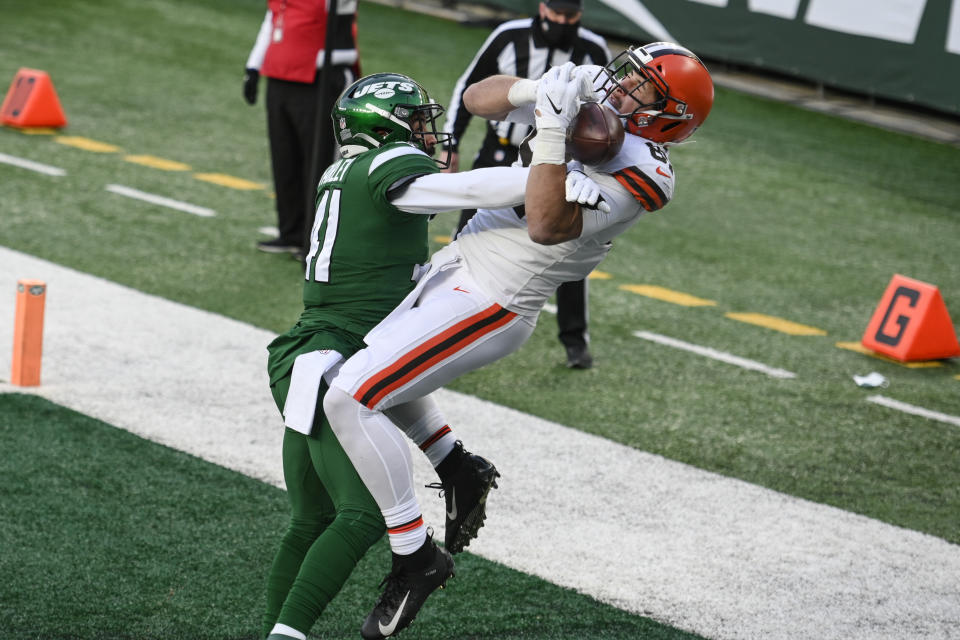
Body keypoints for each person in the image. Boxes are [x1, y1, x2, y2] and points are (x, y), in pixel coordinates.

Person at [323, 42, 715, 636]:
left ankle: (414, 555)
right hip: (459, 265)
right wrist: (539, 92)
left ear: (668, 115)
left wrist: (554, 140)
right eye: (626, 73)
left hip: (495, 296)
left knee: (347, 397)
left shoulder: (648, 171)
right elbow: (481, 99)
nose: (620, 84)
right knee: (374, 376)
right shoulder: (592, 104)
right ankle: (459, 469)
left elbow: (544, 222)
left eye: (641, 86)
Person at [259, 72, 608, 640]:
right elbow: (465, 192)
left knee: (309, 520)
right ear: (386, 130)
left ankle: (455, 467)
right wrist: (546, 178)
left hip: (319, 351)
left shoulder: (348, 170)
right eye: (417, 122)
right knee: (363, 516)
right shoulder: (382, 168)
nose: (429, 134)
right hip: (326, 358)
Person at [443, 0, 610, 369]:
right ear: (542, 7)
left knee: (566, 246)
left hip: (558, 164)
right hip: (500, 152)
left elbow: (604, 111)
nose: (561, 22)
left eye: (570, 16)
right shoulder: (509, 35)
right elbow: (469, 87)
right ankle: (448, 316)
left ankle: (574, 339)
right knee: (468, 236)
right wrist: (450, 143)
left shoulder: (593, 48)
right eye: (556, 13)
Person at [243, 0, 359, 258]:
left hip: (320, 78)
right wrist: (254, 65)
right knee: (285, 160)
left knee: (320, 164)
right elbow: (272, 19)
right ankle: (292, 233)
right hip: (280, 76)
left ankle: (318, 241)